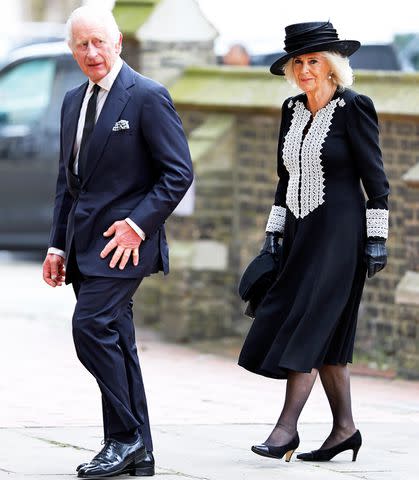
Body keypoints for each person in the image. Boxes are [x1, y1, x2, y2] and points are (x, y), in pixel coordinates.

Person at [42, 6, 193, 478]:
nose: (92, 53)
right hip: (82, 246)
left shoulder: (148, 96)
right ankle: (140, 451)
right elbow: (70, 183)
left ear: (118, 42)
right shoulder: (72, 100)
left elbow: (178, 172)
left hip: (125, 245)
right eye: (82, 45)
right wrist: (57, 245)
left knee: (89, 328)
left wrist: (138, 224)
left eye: (99, 42)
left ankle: (122, 436)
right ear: (72, 50)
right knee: (118, 342)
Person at [238, 21, 389, 463]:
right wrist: (273, 231)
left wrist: (376, 238)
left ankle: (286, 429)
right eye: (298, 62)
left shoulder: (355, 107)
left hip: (342, 236)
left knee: (309, 323)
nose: (305, 69)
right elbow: (284, 180)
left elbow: (376, 182)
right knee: (327, 339)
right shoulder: (291, 109)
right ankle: (345, 429)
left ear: (332, 66)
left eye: (314, 61)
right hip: (300, 235)